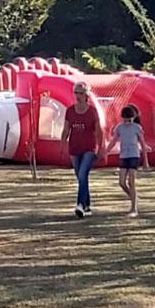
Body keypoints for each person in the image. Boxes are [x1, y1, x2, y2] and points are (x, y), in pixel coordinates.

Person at [60, 82, 101, 218]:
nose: (78, 96)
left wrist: (101, 149)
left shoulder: (92, 111)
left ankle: (80, 205)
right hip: (74, 148)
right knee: (81, 177)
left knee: (83, 174)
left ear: (86, 95)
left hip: (89, 148)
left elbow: (99, 131)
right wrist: (62, 144)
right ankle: (87, 203)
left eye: (81, 93)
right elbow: (66, 129)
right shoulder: (70, 110)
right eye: (76, 93)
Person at [107, 105, 146, 217]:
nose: (127, 122)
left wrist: (145, 161)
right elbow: (113, 141)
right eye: (125, 120)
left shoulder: (136, 128)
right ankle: (134, 197)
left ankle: (134, 209)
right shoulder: (119, 127)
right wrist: (105, 151)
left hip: (134, 155)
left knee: (131, 181)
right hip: (124, 156)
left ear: (133, 118)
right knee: (122, 182)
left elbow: (142, 143)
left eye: (129, 120)